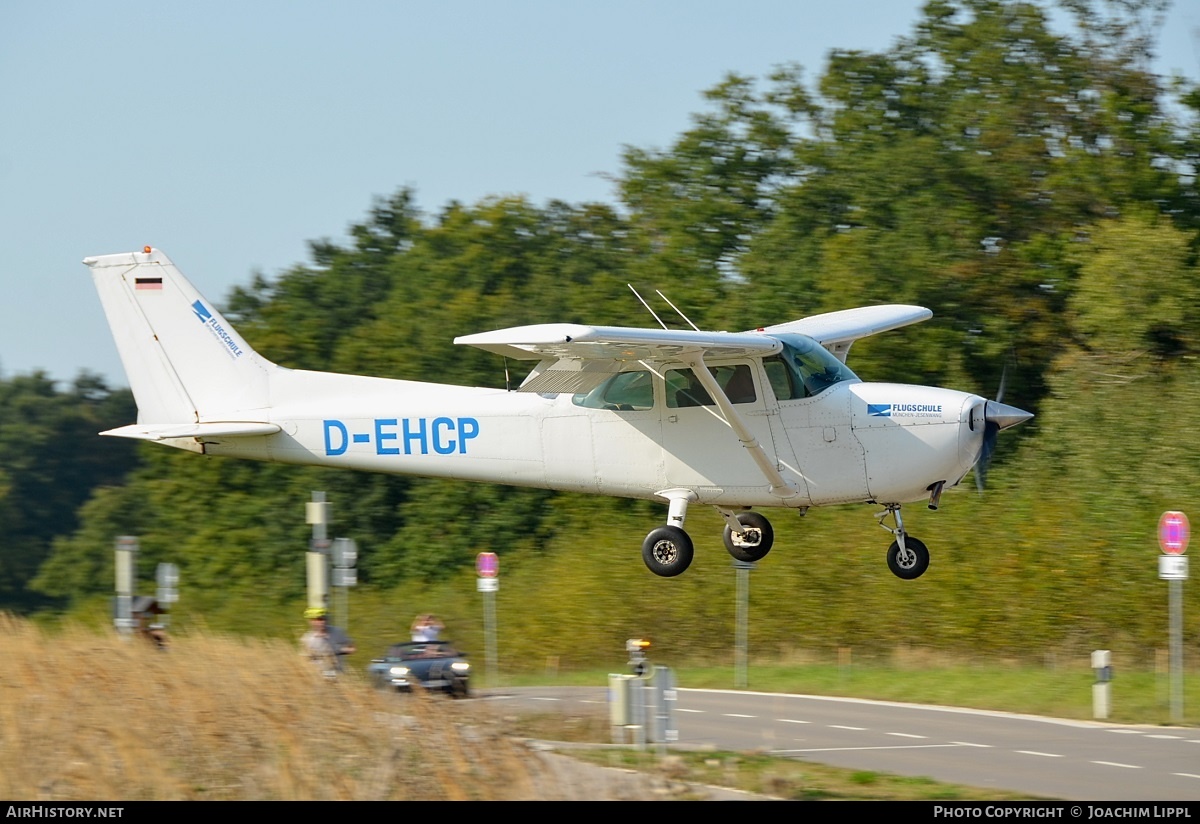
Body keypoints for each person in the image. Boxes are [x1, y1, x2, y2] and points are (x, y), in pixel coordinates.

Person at [301, 607, 356, 676]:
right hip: (318, 676)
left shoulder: (336, 631)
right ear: (311, 621)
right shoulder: (307, 638)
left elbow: (352, 649)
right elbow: (304, 661)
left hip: (338, 675)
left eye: (323, 619)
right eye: (317, 619)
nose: (321, 622)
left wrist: (337, 649)